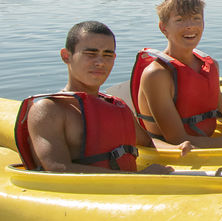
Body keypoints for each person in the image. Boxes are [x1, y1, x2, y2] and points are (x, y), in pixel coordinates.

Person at [14, 21, 191, 174]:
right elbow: (58, 169)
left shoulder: (116, 105)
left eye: (107, 55)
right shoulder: (49, 110)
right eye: (90, 54)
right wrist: (141, 177)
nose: (100, 62)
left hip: (130, 193)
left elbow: (147, 142)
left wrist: (176, 149)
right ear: (66, 56)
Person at [131, 0, 222, 147]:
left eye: (196, 19)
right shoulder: (157, 74)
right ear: (163, 27)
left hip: (207, 142)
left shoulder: (210, 65)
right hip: (175, 152)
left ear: (203, 23)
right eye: (180, 20)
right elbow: (177, 139)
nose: (190, 26)